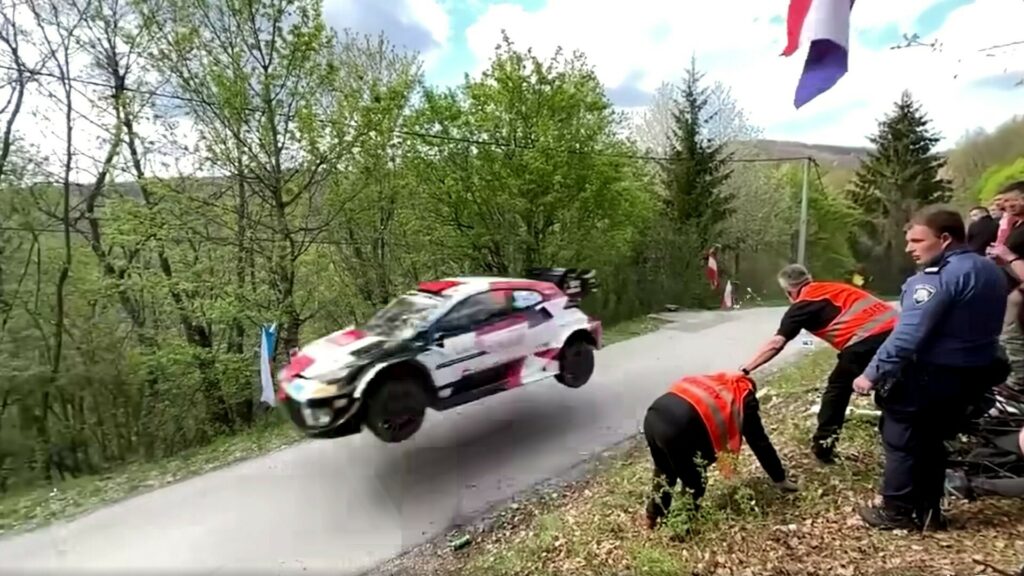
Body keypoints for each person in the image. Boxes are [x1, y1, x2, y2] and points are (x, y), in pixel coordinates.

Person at [853, 206, 1009, 532]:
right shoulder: (989, 270)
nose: (910, 248)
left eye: (917, 240)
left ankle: (896, 510)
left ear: (945, 238)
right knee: (932, 442)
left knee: (900, 438)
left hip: (930, 375)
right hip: (971, 375)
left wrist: (870, 374)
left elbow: (907, 335)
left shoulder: (937, 278)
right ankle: (929, 512)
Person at [739, 264, 897, 464]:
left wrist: (745, 369)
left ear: (789, 291)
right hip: (902, 334)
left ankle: (824, 447)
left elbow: (777, 343)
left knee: (837, 391)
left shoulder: (802, 305)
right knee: (895, 389)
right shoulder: (834, 288)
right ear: (809, 279)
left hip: (866, 340)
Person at [643, 371, 797, 529]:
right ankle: (679, 529)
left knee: (664, 470)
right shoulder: (745, 396)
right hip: (678, 426)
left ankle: (651, 518)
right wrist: (780, 478)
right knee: (695, 482)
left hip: (654, 415)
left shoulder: (715, 381)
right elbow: (760, 443)